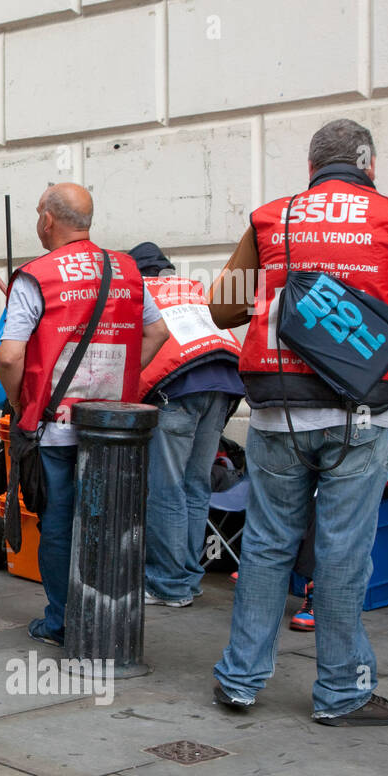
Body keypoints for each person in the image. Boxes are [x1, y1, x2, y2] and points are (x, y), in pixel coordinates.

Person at [208, 118, 388, 726]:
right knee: (344, 554)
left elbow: (224, 305)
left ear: (311, 168)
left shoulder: (274, 218)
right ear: (368, 165)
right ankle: (341, 694)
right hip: (360, 411)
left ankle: (240, 680)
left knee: (269, 546)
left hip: (277, 414)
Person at [0, 184, 169, 647]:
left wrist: (21, 402)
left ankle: (62, 622)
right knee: (108, 525)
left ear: (48, 220)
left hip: (55, 428)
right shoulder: (126, 268)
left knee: (57, 528)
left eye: (38, 213)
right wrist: (124, 388)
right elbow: (157, 332)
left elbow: (10, 356)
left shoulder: (36, 276)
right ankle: (106, 619)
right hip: (111, 431)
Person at [129, 242, 244, 608]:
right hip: (223, 385)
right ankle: (190, 580)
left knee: (166, 489)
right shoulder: (190, 288)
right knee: (196, 487)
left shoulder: (140, 293)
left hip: (177, 392)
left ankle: (167, 584)